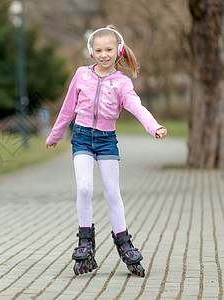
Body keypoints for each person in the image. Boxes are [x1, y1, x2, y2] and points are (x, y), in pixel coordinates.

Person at [45, 25, 167, 277]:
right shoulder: (81, 75)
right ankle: (85, 241)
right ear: (91, 52)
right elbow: (68, 109)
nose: (104, 54)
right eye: (98, 50)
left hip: (106, 140)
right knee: (85, 187)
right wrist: (55, 135)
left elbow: (136, 106)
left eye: (109, 49)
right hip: (80, 138)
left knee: (112, 193)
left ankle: (124, 243)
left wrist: (153, 126)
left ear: (118, 51)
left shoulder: (122, 82)